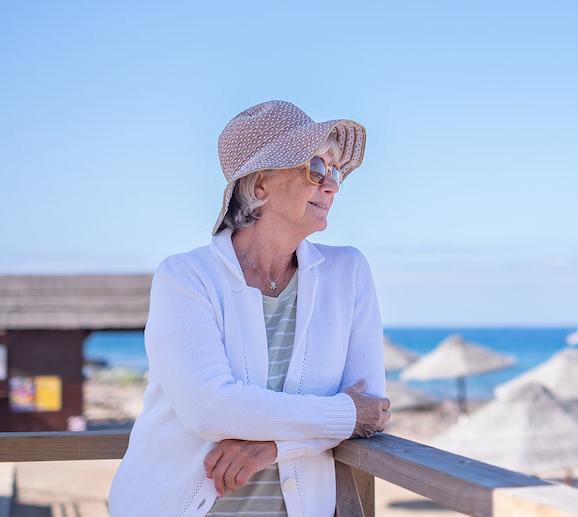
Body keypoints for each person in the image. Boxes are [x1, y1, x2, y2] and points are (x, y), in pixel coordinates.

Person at [109, 100, 390, 517]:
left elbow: (368, 408)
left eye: (333, 171)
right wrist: (342, 415)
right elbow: (212, 408)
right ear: (260, 187)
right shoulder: (185, 277)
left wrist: (271, 447)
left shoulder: (349, 273)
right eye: (316, 168)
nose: (330, 184)